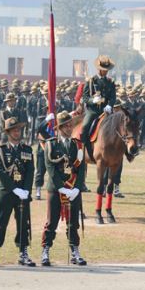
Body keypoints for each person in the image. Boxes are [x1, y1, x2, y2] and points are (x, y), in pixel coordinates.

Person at [40, 111, 87, 267]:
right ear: (59, 128)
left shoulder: (78, 145)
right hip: (56, 189)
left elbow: (82, 170)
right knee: (51, 221)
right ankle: (45, 250)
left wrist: (77, 188)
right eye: (65, 126)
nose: (69, 128)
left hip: (73, 189)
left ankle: (74, 251)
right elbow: (50, 168)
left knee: (73, 222)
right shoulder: (51, 144)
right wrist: (62, 188)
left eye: (70, 125)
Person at [0, 117, 36, 267]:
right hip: (6, 192)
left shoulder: (27, 150)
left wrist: (26, 190)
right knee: (0, 223)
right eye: (14, 130)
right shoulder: (0, 151)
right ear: (8, 132)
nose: (17, 132)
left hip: (23, 192)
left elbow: (30, 172)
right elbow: (0, 173)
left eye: (19, 129)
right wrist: (14, 189)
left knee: (23, 224)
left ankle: (23, 252)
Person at [80, 56, 116, 158]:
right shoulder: (91, 81)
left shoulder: (110, 82)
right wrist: (93, 100)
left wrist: (109, 105)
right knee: (85, 127)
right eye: (104, 70)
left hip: (106, 111)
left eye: (107, 70)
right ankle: (84, 149)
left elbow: (113, 97)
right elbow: (85, 97)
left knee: (120, 126)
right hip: (93, 111)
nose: (106, 72)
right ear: (99, 69)